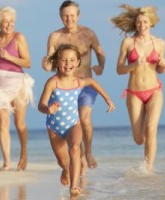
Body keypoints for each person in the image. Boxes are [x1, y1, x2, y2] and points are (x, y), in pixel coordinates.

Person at [38, 44, 115, 199]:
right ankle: (66, 170)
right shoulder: (52, 82)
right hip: (54, 128)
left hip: (73, 124)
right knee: (63, 162)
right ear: (57, 63)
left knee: (75, 148)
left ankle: (74, 186)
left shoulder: (79, 82)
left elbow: (93, 82)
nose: (68, 64)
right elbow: (41, 105)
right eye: (64, 60)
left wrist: (108, 99)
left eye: (72, 60)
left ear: (78, 62)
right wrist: (48, 109)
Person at [42, 0, 105, 168]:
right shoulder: (55, 36)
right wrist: (46, 64)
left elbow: (100, 53)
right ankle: (77, 156)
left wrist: (101, 66)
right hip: (63, 88)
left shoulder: (88, 34)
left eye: (71, 15)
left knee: (84, 118)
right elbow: (49, 60)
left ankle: (88, 151)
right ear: (60, 17)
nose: (68, 19)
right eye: (65, 16)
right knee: (71, 124)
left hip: (84, 85)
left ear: (78, 16)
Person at [110, 4, 165, 172]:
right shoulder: (128, 42)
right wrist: (134, 64)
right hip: (134, 93)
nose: (142, 25)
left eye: (145, 22)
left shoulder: (160, 43)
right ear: (135, 24)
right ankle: (145, 153)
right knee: (139, 138)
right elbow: (119, 69)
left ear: (151, 22)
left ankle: (148, 169)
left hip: (154, 91)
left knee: (151, 130)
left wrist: (164, 66)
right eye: (138, 23)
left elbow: (159, 69)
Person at [0, 6, 34, 171]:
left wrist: (9, 57)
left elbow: (28, 63)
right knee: (3, 122)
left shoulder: (19, 38)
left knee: (20, 124)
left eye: (12, 21)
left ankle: (24, 153)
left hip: (17, 84)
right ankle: (6, 162)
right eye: (6, 21)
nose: (10, 25)